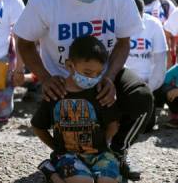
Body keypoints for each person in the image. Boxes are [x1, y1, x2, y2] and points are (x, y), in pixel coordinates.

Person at [13, 0, 153, 181]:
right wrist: (46, 78)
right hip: (62, 78)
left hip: (103, 73)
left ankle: (116, 152)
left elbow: (123, 42)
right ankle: (62, 156)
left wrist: (109, 77)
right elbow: (25, 43)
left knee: (141, 96)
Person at [33, 36, 121, 183]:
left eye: (98, 74)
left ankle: (53, 173)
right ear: (69, 66)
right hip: (67, 156)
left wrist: (103, 144)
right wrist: (57, 148)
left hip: (99, 154)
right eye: (87, 73)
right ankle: (52, 173)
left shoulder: (101, 93)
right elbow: (38, 126)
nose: (93, 78)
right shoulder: (55, 92)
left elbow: (113, 125)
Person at [125, 0, 168, 132]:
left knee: (146, 126)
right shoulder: (113, 22)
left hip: (146, 84)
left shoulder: (154, 24)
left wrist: (149, 88)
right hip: (120, 82)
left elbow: (160, 62)